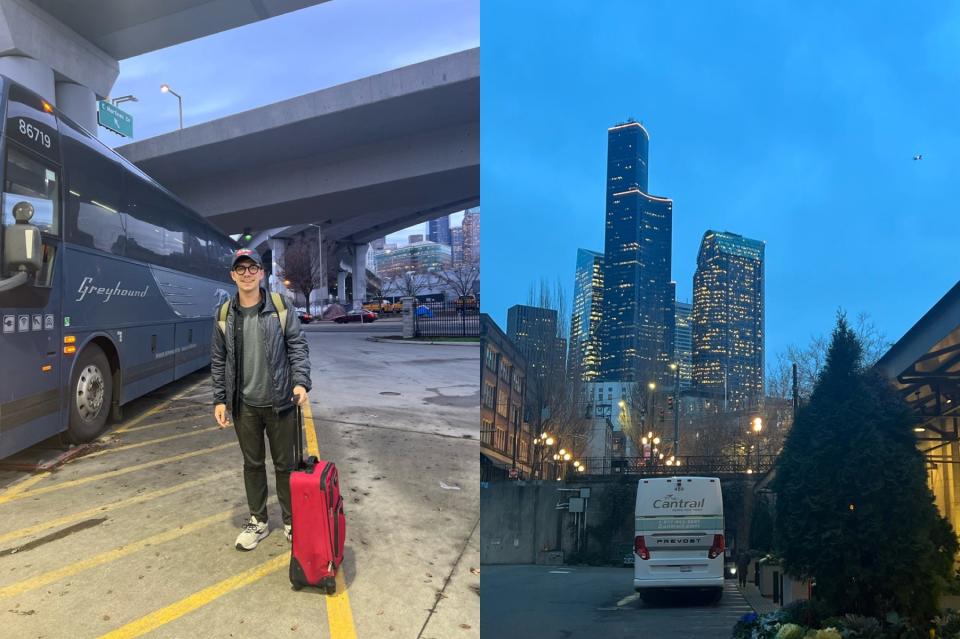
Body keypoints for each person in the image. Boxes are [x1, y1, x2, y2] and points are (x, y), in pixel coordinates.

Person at [211, 248, 311, 551]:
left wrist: (301, 382)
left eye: (252, 268)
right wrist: (219, 399)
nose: (246, 274)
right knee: (252, 465)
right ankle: (259, 521)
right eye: (240, 269)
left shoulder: (280, 307)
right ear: (233, 275)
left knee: (285, 465)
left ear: (261, 273)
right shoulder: (225, 313)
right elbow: (219, 359)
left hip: (280, 402)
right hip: (244, 407)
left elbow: (297, 346)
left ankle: (292, 521)